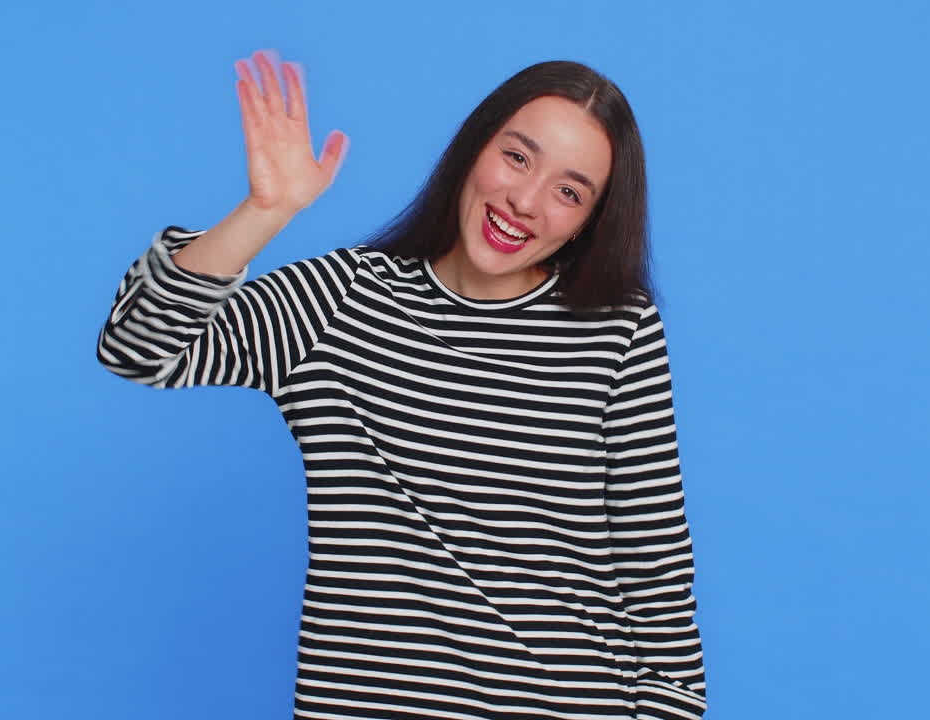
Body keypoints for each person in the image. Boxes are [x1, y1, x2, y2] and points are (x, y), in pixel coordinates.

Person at [96, 48, 707, 720]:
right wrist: (266, 212)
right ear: (474, 150)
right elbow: (139, 349)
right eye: (516, 157)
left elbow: (657, 579)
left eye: (570, 191)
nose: (525, 201)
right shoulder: (344, 300)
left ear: (592, 219)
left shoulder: (616, 329)